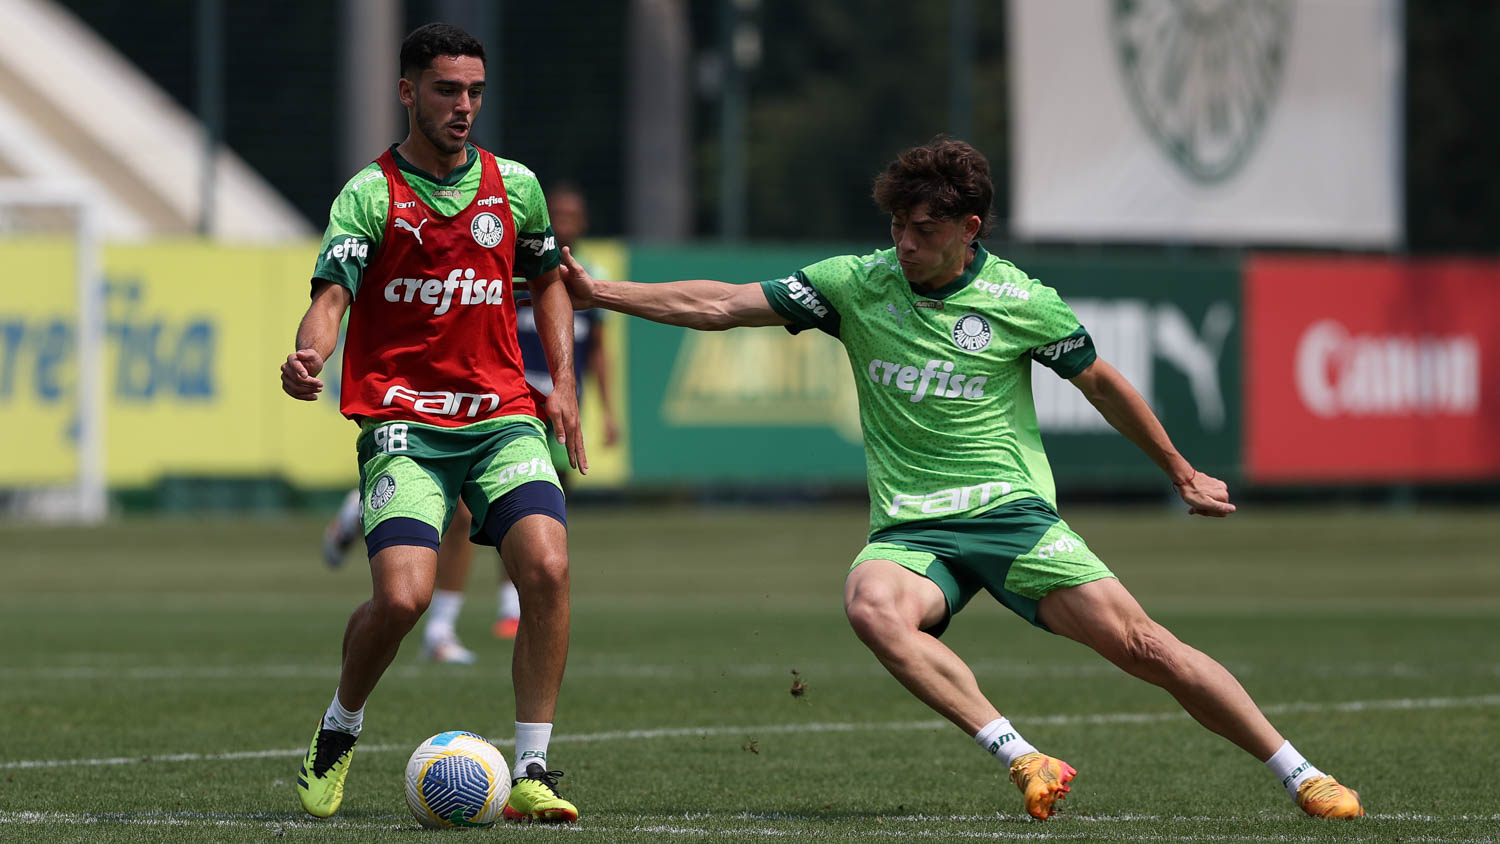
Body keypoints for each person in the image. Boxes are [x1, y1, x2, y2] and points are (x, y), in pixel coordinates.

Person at [556, 137, 1365, 820]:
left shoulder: (1020, 300)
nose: (904, 244)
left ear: (968, 228)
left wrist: (1182, 472)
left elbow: (1104, 385)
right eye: (898, 227)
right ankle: (1023, 758)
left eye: (923, 230)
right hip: (912, 530)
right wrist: (603, 294)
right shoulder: (857, 284)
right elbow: (724, 304)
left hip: (1011, 516)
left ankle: (1302, 773)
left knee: (1146, 646)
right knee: (872, 608)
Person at [280, 22, 582, 823]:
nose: (464, 105)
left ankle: (534, 769)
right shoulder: (370, 193)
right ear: (408, 91)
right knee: (404, 600)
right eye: (447, 89)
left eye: (475, 91)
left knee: (546, 569)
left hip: (502, 418)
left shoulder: (513, 185)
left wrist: (563, 384)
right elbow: (331, 298)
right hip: (402, 423)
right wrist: (309, 355)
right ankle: (339, 728)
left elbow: (550, 281)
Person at [321, 183, 620, 649]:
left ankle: (505, 605)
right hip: (495, 403)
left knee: (528, 513)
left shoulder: (587, 277)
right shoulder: (506, 258)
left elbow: (598, 353)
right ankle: (440, 616)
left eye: (570, 213)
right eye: (556, 211)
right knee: (457, 515)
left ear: (582, 222)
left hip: (552, 409)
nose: (561, 220)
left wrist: (604, 409)